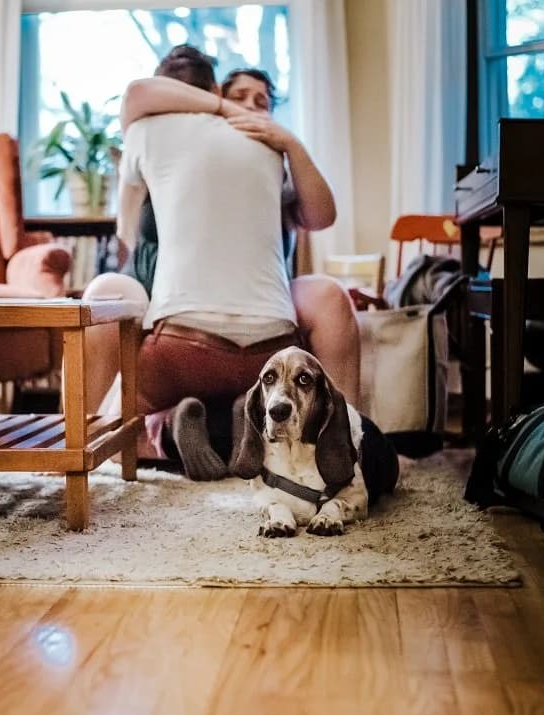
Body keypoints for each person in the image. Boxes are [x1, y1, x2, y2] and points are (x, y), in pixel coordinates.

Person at [83, 46, 359, 480]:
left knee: (116, 422)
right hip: (265, 344)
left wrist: (288, 142)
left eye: (261, 102)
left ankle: (157, 436)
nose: (249, 110)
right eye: (239, 97)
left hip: (181, 337)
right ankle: (237, 428)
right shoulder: (248, 150)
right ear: (215, 95)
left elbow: (321, 214)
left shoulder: (264, 148)